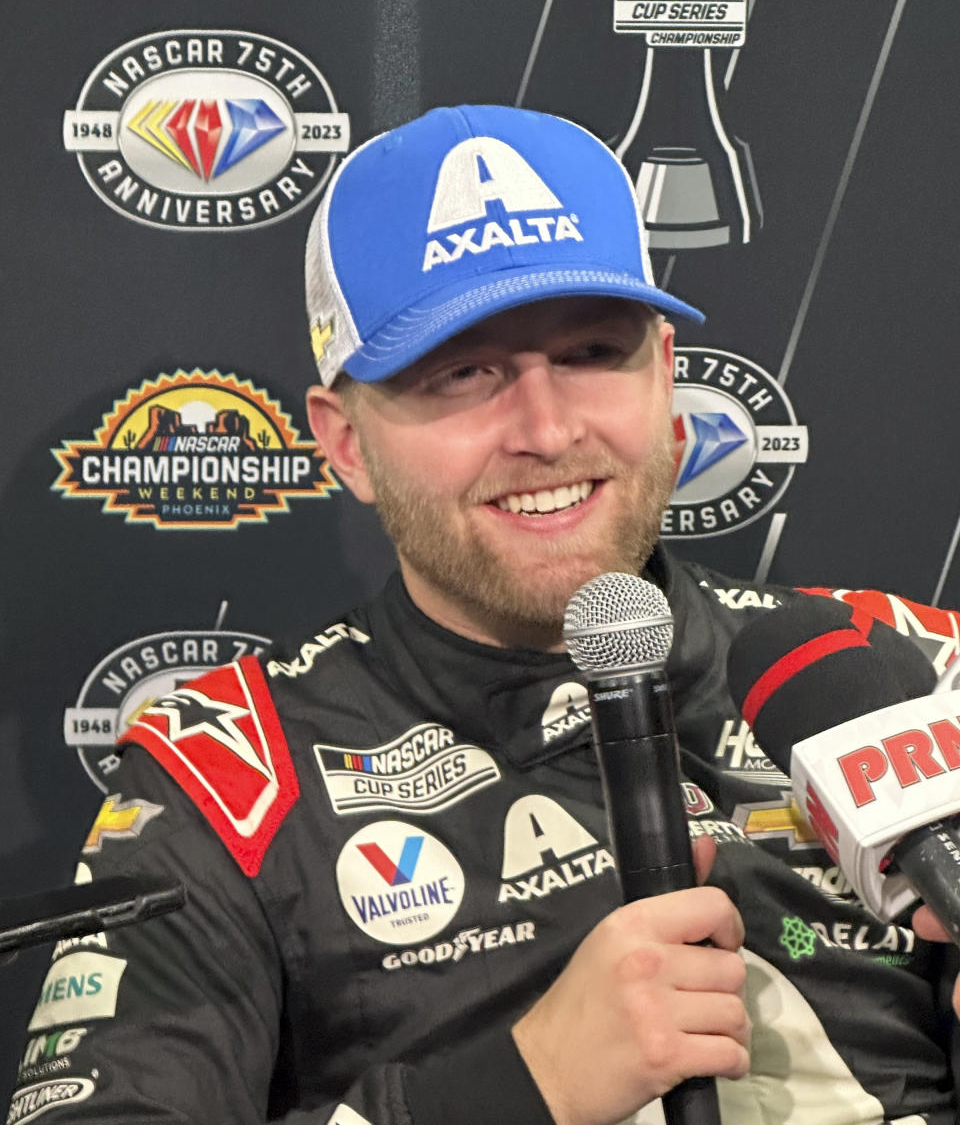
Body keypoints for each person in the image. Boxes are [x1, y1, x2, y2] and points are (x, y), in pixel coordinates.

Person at [9, 105, 960, 1125]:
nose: (547, 430)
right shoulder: (227, 769)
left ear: (668, 380)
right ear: (344, 441)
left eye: (595, 351)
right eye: (464, 372)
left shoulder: (905, 668)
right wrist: (520, 1081)